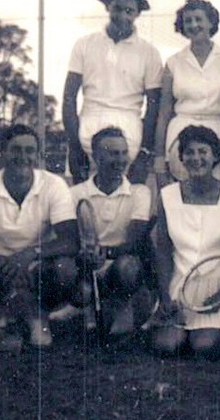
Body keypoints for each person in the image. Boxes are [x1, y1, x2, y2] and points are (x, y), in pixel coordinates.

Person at [0, 124, 79, 349]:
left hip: (38, 264)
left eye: (29, 150)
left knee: (66, 269)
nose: (23, 156)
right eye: (16, 149)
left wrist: (31, 254)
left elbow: (70, 240)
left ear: (38, 154)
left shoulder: (54, 185)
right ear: (2, 152)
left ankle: (39, 316)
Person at [150, 126, 220, 359]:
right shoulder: (167, 195)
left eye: (203, 151)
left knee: (204, 346)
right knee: (167, 347)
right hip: (180, 287)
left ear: (215, 156)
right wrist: (165, 297)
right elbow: (162, 251)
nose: (196, 158)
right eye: (190, 153)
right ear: (181, 158)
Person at [63, 0, 163, 185]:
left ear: (137, 13)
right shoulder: (84, 44)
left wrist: (144, 152)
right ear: (108, 7)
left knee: (126, 198)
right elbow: (69, 96)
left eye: (129, 11)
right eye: (117, 8)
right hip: (88, 123)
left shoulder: (149, 53)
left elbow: (154, 106)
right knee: (82, 195)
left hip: (129, 127)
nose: (122, 16)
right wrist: (74, 146)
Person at [66, 127, 152, 336]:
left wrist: (103, 253)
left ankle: (122, 306)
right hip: (86, 267)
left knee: (129, 267)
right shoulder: (74, 194)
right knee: (74, 284)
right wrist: (85, 255)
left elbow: (134, 242)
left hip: (120, 265)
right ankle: (83, 307)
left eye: (124, 153)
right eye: (113, 153)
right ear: (96, 156)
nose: (121, 160)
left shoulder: (140, 192)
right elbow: (68, 239)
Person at [154, 0, 220, 189]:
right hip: (180, 135)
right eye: (188, 21)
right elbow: (164, 113)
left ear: (211, 22)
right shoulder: (173, 62)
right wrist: (159, 158)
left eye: (198, 19)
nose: (194, 25)